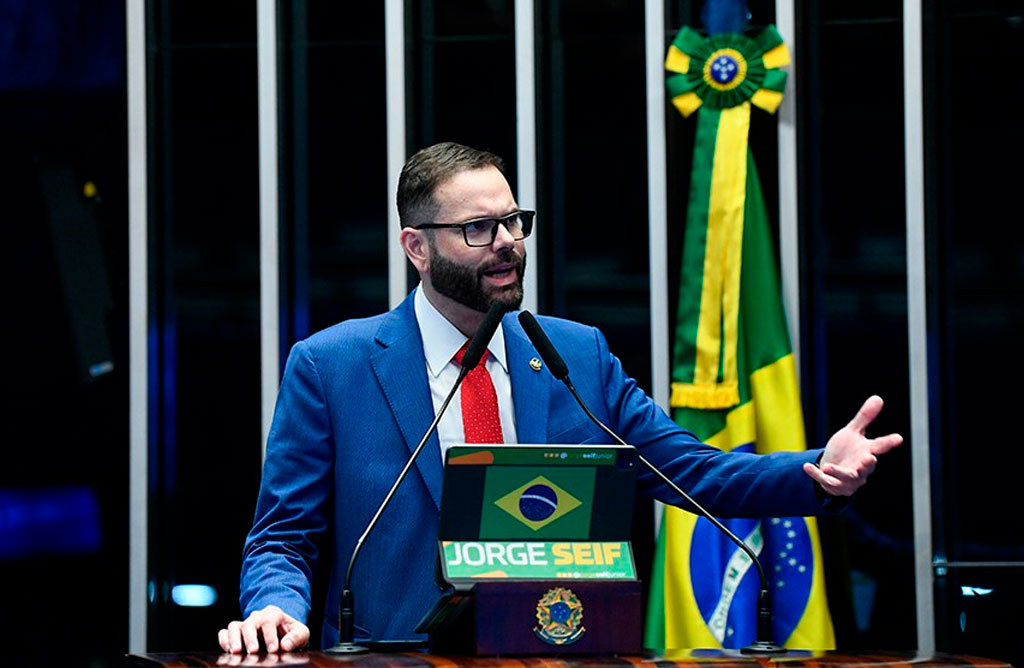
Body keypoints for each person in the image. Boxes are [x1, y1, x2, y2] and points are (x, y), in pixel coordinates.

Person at [217, 142, 902, 655]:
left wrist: (818, 470)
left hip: (556, 653)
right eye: (478, 228)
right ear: (416, 248)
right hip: (393, 659)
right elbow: (284, 534)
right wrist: (275, 607)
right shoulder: (332, 366)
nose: (508, 243)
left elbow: (689, 472)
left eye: (514, 220)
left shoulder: (574, 355)